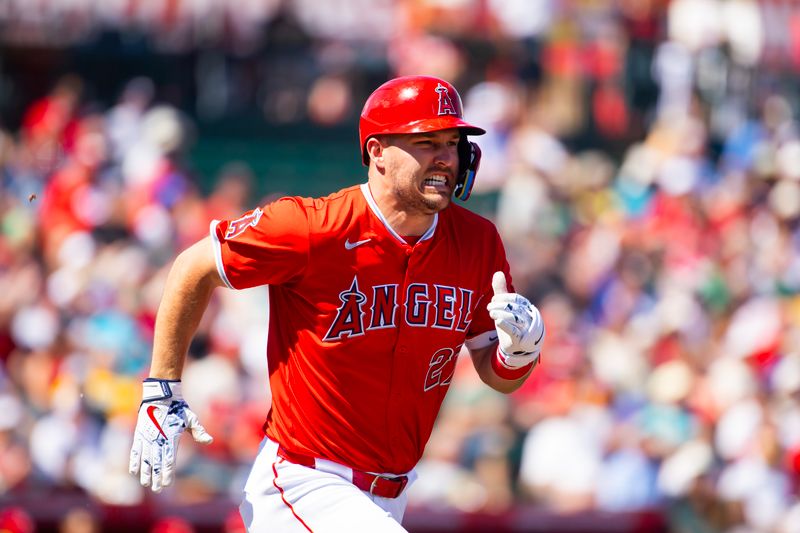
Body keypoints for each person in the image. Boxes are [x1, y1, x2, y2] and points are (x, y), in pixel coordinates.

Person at [129, 75, 545, 532]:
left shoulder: (478, 242)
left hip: (393, 491)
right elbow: (194, 266)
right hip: (304, 480)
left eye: (452, 143)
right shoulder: (314, 227)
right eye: (426, 142)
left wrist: (519, 352)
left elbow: (496, 371)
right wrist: (162, 386)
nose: (446, 157)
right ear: (377, 152)